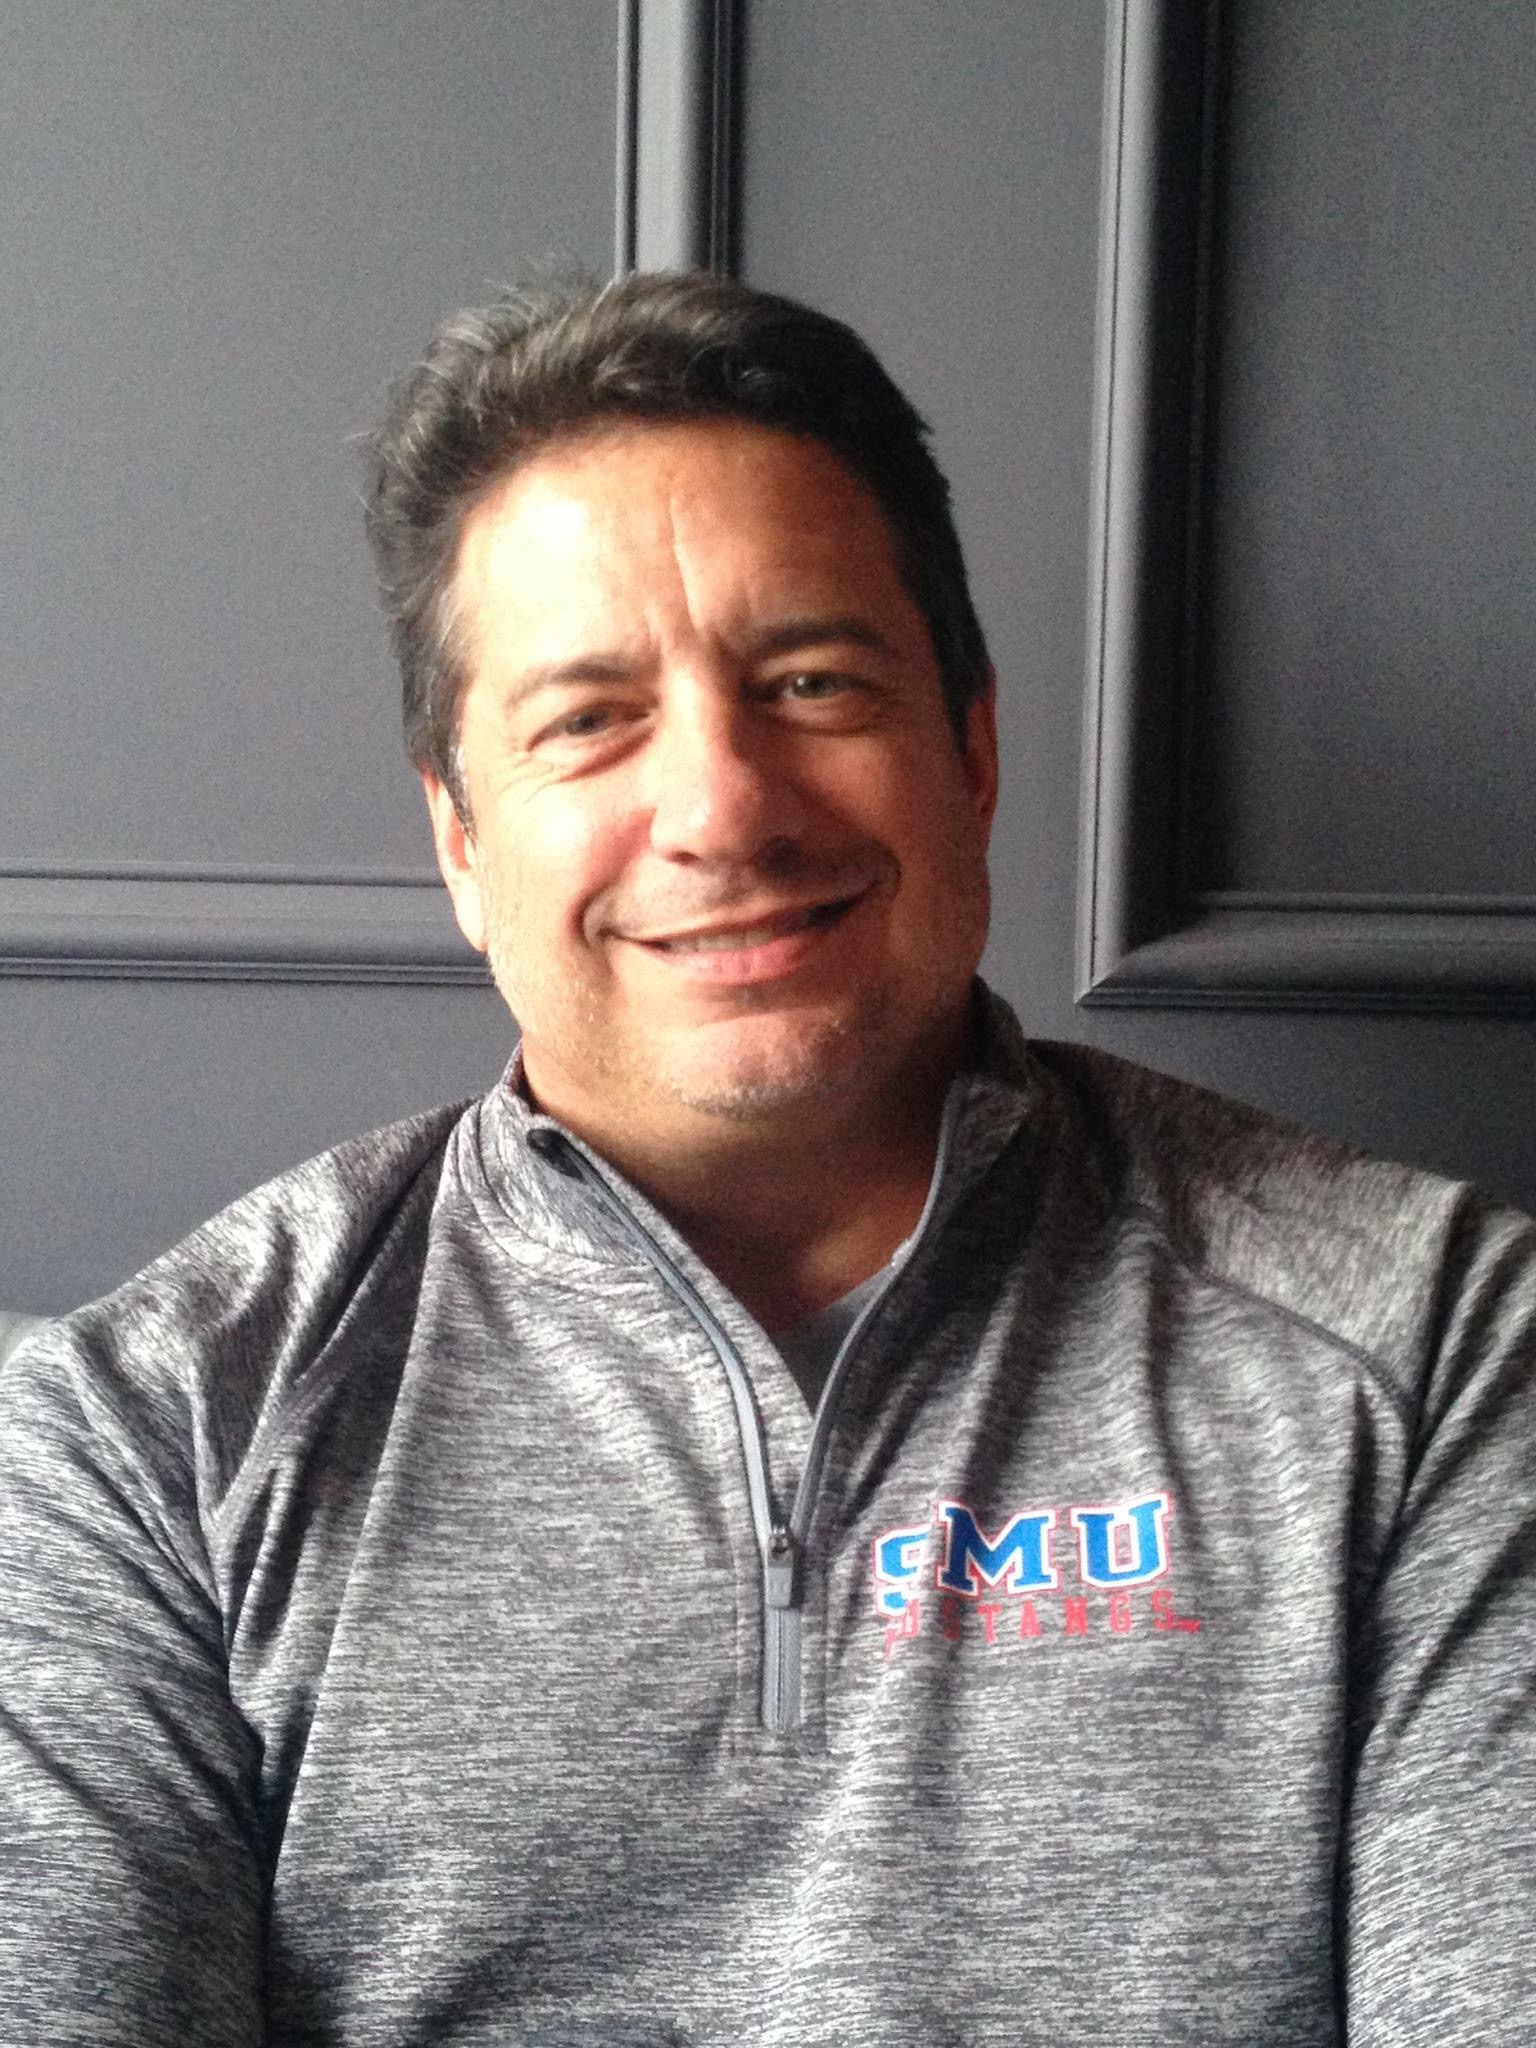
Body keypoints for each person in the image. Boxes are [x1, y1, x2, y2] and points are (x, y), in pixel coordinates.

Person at [1, 272, 1533, 2048]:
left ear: (970, 750)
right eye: (588, 719)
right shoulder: (151, 1433)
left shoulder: (1431, 1343)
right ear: (462, 840)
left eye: (811, 681)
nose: (724, 806)